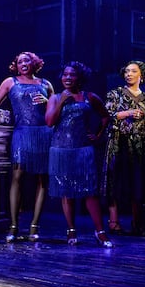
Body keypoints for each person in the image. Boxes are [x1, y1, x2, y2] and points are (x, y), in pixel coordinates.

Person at [0, 52, 54, 243]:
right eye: (20, 61)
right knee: (17, 175)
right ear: (16, 65)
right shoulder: (10, 82)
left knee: (42, 179)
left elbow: (55, 110)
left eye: (27, 60)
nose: (23, 63)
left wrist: (49, 102)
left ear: (35, 64)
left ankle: (34, 226)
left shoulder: (45, 84)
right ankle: (14, 226)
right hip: (22, 133)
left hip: (43, 134)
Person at [45, 61, 113, 248]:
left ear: (79, 78)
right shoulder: (55, 97)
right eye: (65, 74)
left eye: (72, 75)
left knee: (90, 192)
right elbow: (50, 122)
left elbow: (106, 116)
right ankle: (71, 229)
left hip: (83, 149)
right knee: (66, 192)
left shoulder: (89, 97)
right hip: (60, 149)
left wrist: (97, 135)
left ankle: (100, 231)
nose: (67, 78)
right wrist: (61, 102)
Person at [102, 60, 145, 236]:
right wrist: (128, 113)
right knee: (115, 181)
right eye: (126, 71)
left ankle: (138, 221)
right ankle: (114, 221)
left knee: (138, 184)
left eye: (133, 71)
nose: (128, 74)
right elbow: (107, 115)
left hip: (141, 145)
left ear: (142, 75)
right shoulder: (115, 94)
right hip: (119, 142)